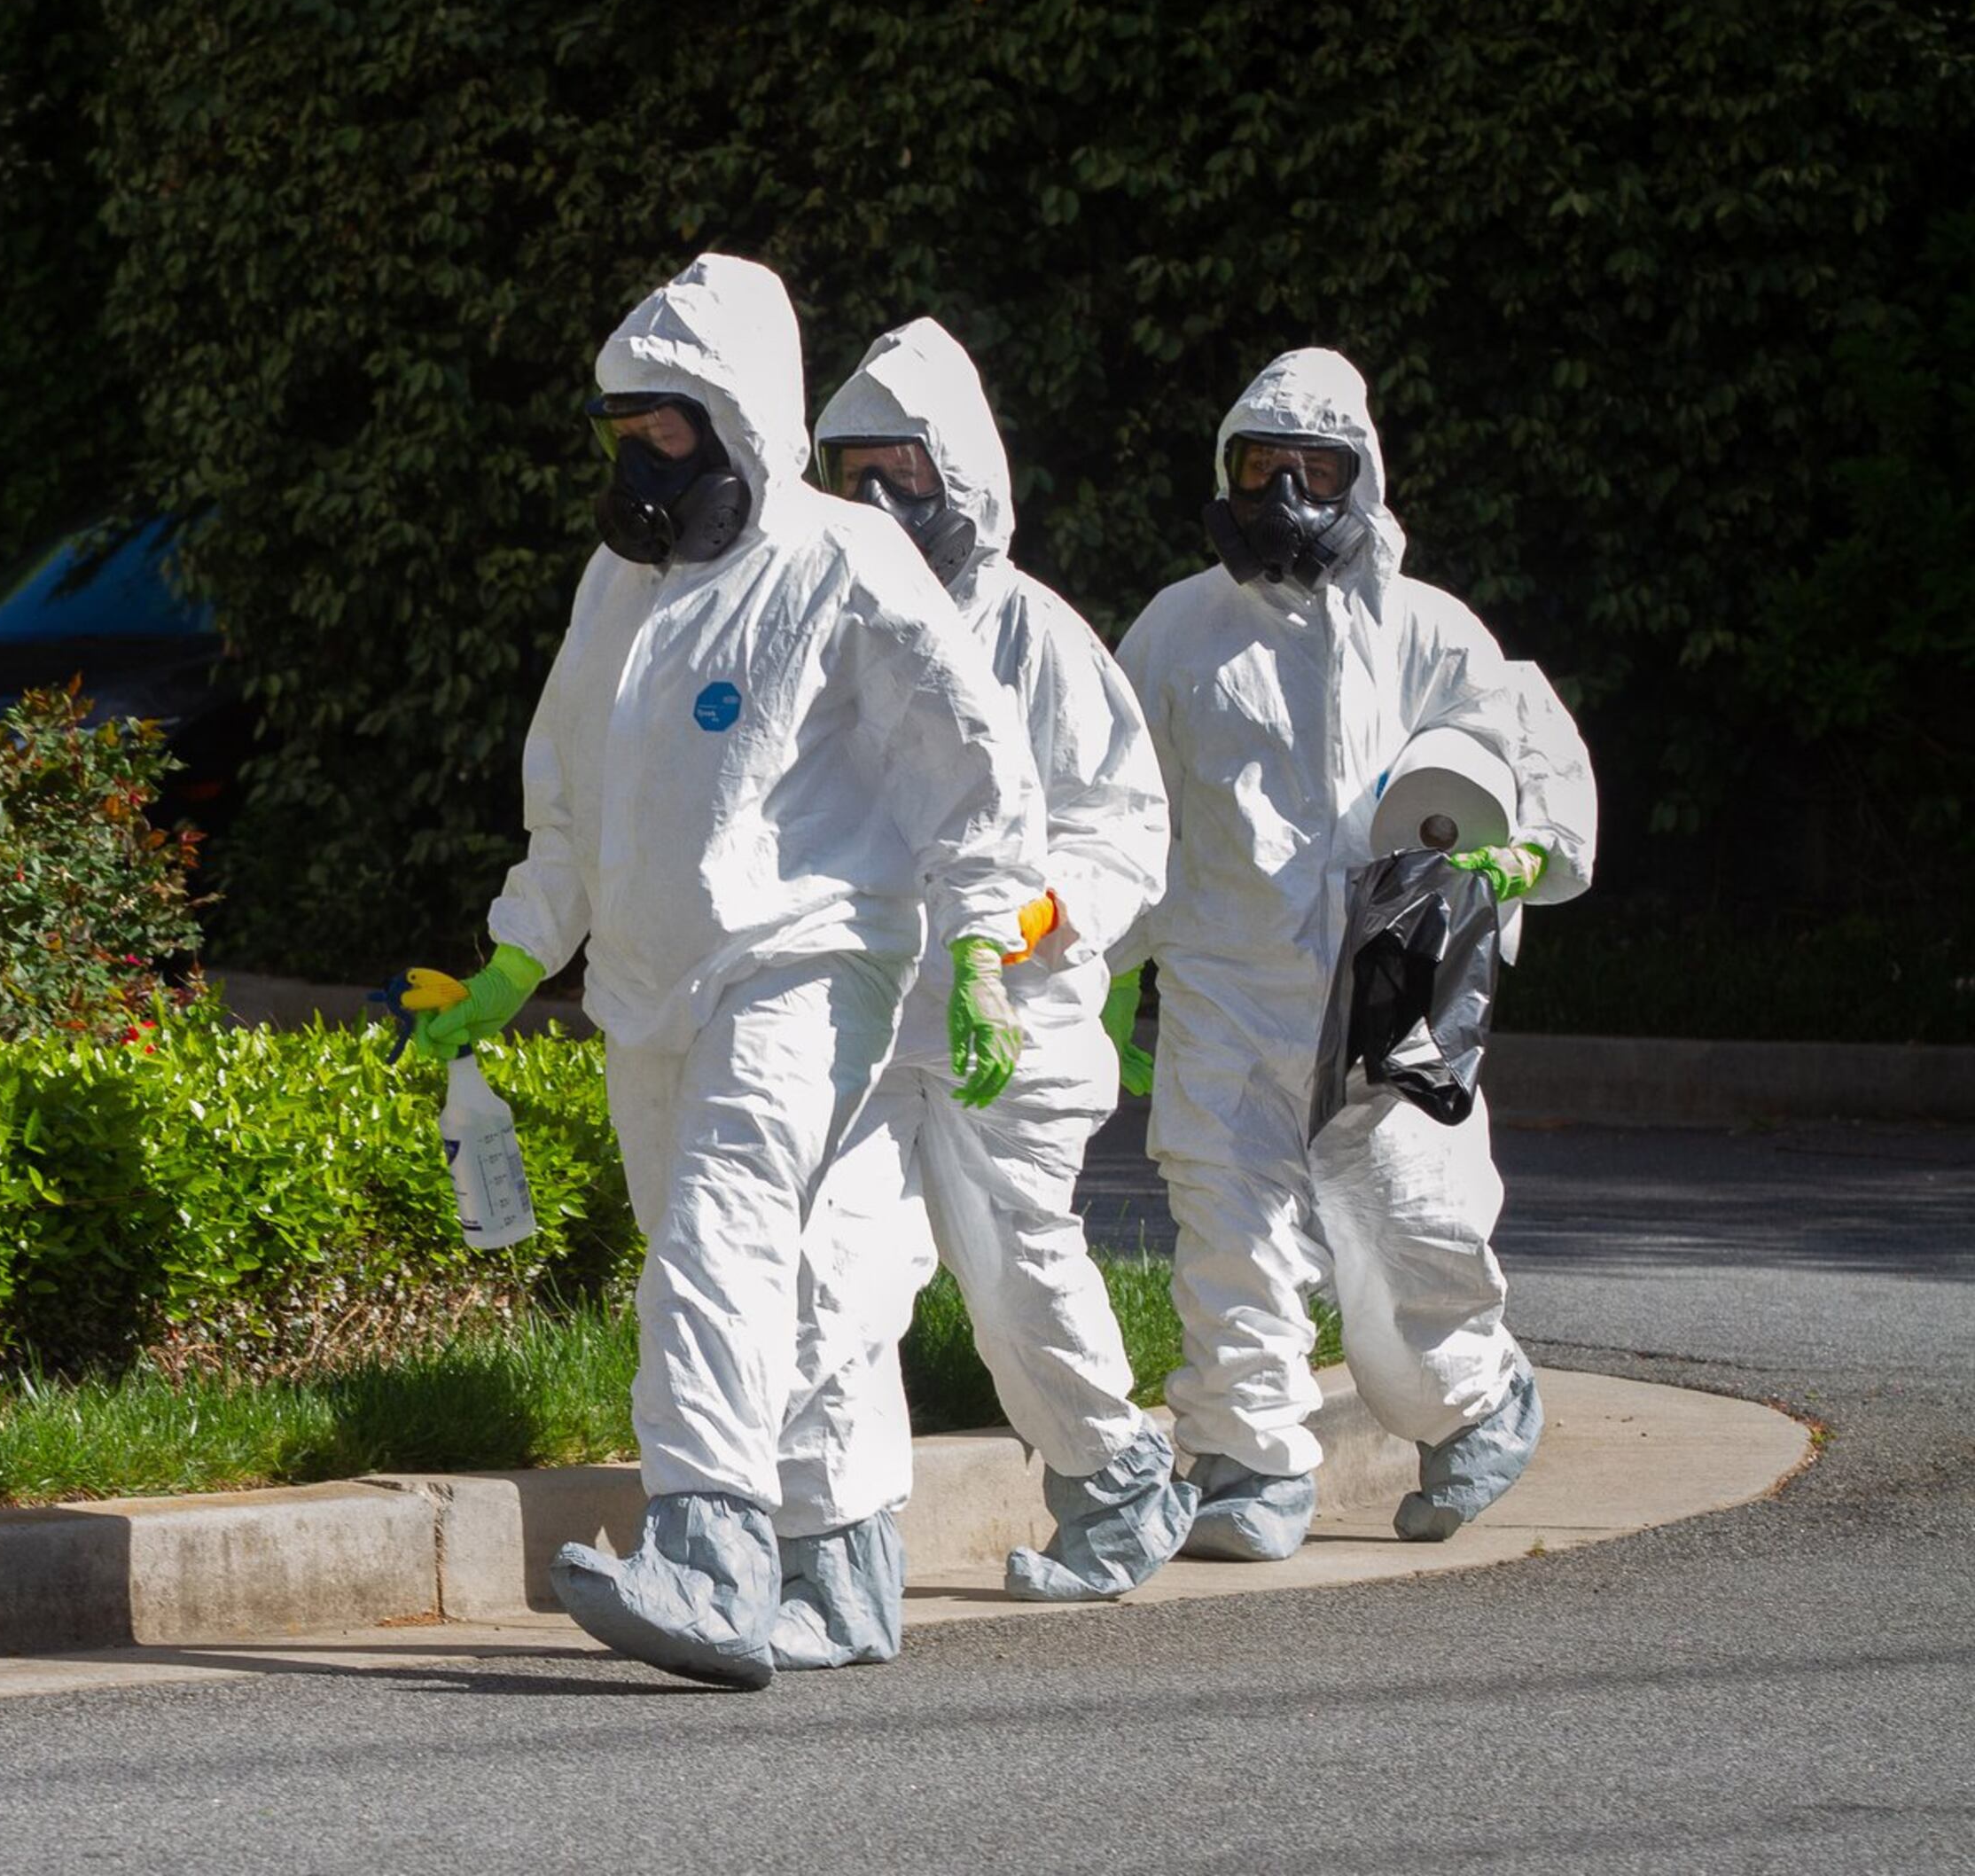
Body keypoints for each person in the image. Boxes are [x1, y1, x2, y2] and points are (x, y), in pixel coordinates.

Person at [397, 254, 1049, 1689]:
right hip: (650, 980)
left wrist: (991, 952)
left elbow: (975, 772)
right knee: (784, 1271)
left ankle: (704, 1550)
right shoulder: (616, 586)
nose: (642, 460)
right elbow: (571, 792)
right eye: (624, 430)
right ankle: (841, 1575)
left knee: (720, 1236)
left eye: (670, 429)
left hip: (815, 958)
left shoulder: (844, 562)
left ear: (741, 415)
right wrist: (515, 961)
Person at [1112, 348, 1596, 1562]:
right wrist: (1114, 969)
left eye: (1313, 469)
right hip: (1226, 983)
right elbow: (1118, 806)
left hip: (1401, 972)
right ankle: (1248, 1463)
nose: (1282, 493)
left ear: (1361, 481)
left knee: (1412, 1224)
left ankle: (1478, 1403)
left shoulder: (1430, 633)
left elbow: (1520, 764)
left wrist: (1514, 860)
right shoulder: (1176, 631)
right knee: (1228, 1226)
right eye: (1258, 466)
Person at [804, 317, 1189, 1606]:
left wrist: (1029, 919)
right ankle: (839, 1541)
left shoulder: (1036, 636)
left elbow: (1124, 822)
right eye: (850, 468)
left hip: (1010, 1021)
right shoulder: (824, 616)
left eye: (902, 468)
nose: (875, 498)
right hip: (868, 1011)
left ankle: (1118, 1477)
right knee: (844, 1271)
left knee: (1015, 1265)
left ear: (962, 474)